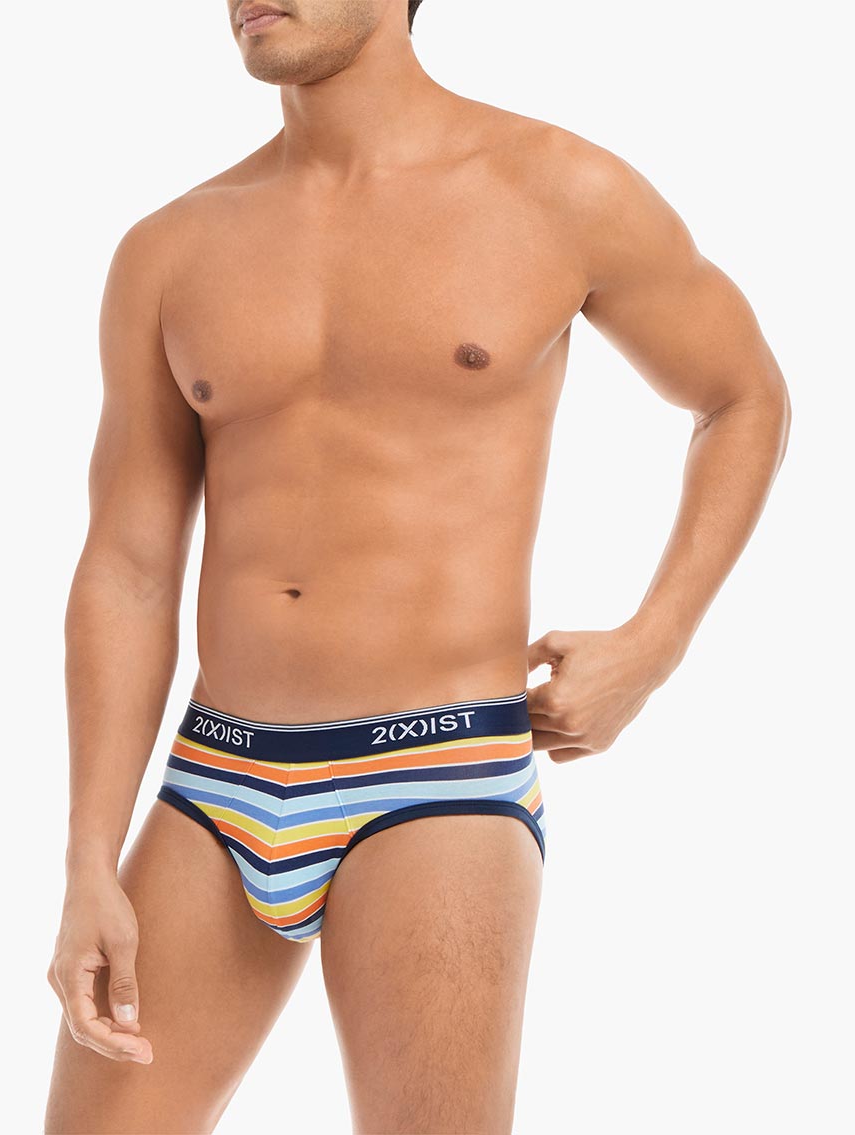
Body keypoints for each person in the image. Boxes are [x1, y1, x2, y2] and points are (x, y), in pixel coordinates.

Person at [44, 1, 791, 1131]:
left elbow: (743, 396)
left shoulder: (557, 189)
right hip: (217, 777)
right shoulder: (170, 248)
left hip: (436, 774)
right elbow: (128, 566)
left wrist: (656, 641)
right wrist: (89, 857)